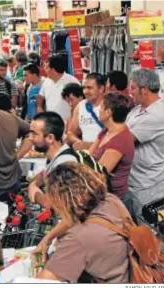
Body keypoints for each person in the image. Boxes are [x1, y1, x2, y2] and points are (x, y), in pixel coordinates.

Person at [35, 163, 130, 283]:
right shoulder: (111, 201)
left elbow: (45, 282)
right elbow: (71, 220)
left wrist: (38, 268)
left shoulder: (78, 238)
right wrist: (48, 238)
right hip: (125, 275)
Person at [126, 69, 164, 221]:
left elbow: (123, 140)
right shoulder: (136, 110)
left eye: (133, 88)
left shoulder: (157, 115)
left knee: (150, 234)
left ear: (145, 89)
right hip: (134, 183)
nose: (130, 92)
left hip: (149, 187)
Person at [89, 93, 134, 203]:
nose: (98, 110)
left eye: (101, 107)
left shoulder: (119, 141)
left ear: (108, 112)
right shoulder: (106, 131)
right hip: (101, 196)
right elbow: (88, 155)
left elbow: (97, 174)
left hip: (115, 200)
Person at [27, 112, 77, 208]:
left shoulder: (65, 163)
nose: (30, 138)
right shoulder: (56, 156)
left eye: (34, 134)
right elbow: (44, 173)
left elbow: (54, 203)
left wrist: (34, 192)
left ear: (50, 138)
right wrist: (34, 183)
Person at [68, 73, 107, 150]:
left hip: (105, 154)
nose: (85, 91)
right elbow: (71, 133)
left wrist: (89, 145)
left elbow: (116, 137)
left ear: (101, 89)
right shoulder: (80, 105)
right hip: (86, 155)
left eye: (89, 88)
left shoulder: (110, 106)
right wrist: (79, 142)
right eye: (84, 88)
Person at [37, 55, 80, 121]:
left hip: (67, 123)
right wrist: (39, 107)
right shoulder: (47, 81)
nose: (44, 68)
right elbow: (40, 96)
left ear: (53, 69)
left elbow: (80, 103)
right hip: (51, 122)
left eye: (46, 66)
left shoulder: (72, 82)